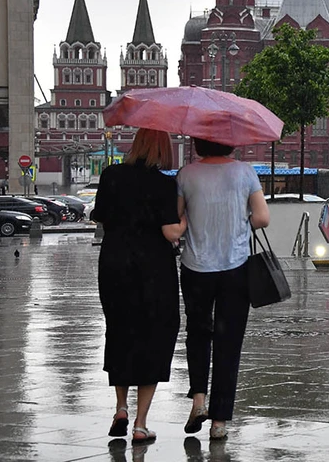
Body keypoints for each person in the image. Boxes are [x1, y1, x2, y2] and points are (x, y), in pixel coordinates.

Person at [93, 128, 187, 443]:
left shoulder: (110, 175)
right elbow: (171, 232)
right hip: (153, 269)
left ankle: (120, 407)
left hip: (114, 264)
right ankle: (140, 424)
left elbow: (101, 218)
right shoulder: (164, 184)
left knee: (120, 330)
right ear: (163, 149)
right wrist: (184, 219)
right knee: (155, 336)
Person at [177, 137, 270, 440]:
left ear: (198, 142)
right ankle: (219, 422)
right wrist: (239, 220)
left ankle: (199, 401)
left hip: (195, 267)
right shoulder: (245, 172)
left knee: (198, 334)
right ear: (230, 142)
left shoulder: (186, 174)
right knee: (229, 342)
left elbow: (177, 220)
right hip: (235, 266)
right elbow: (262, 218)